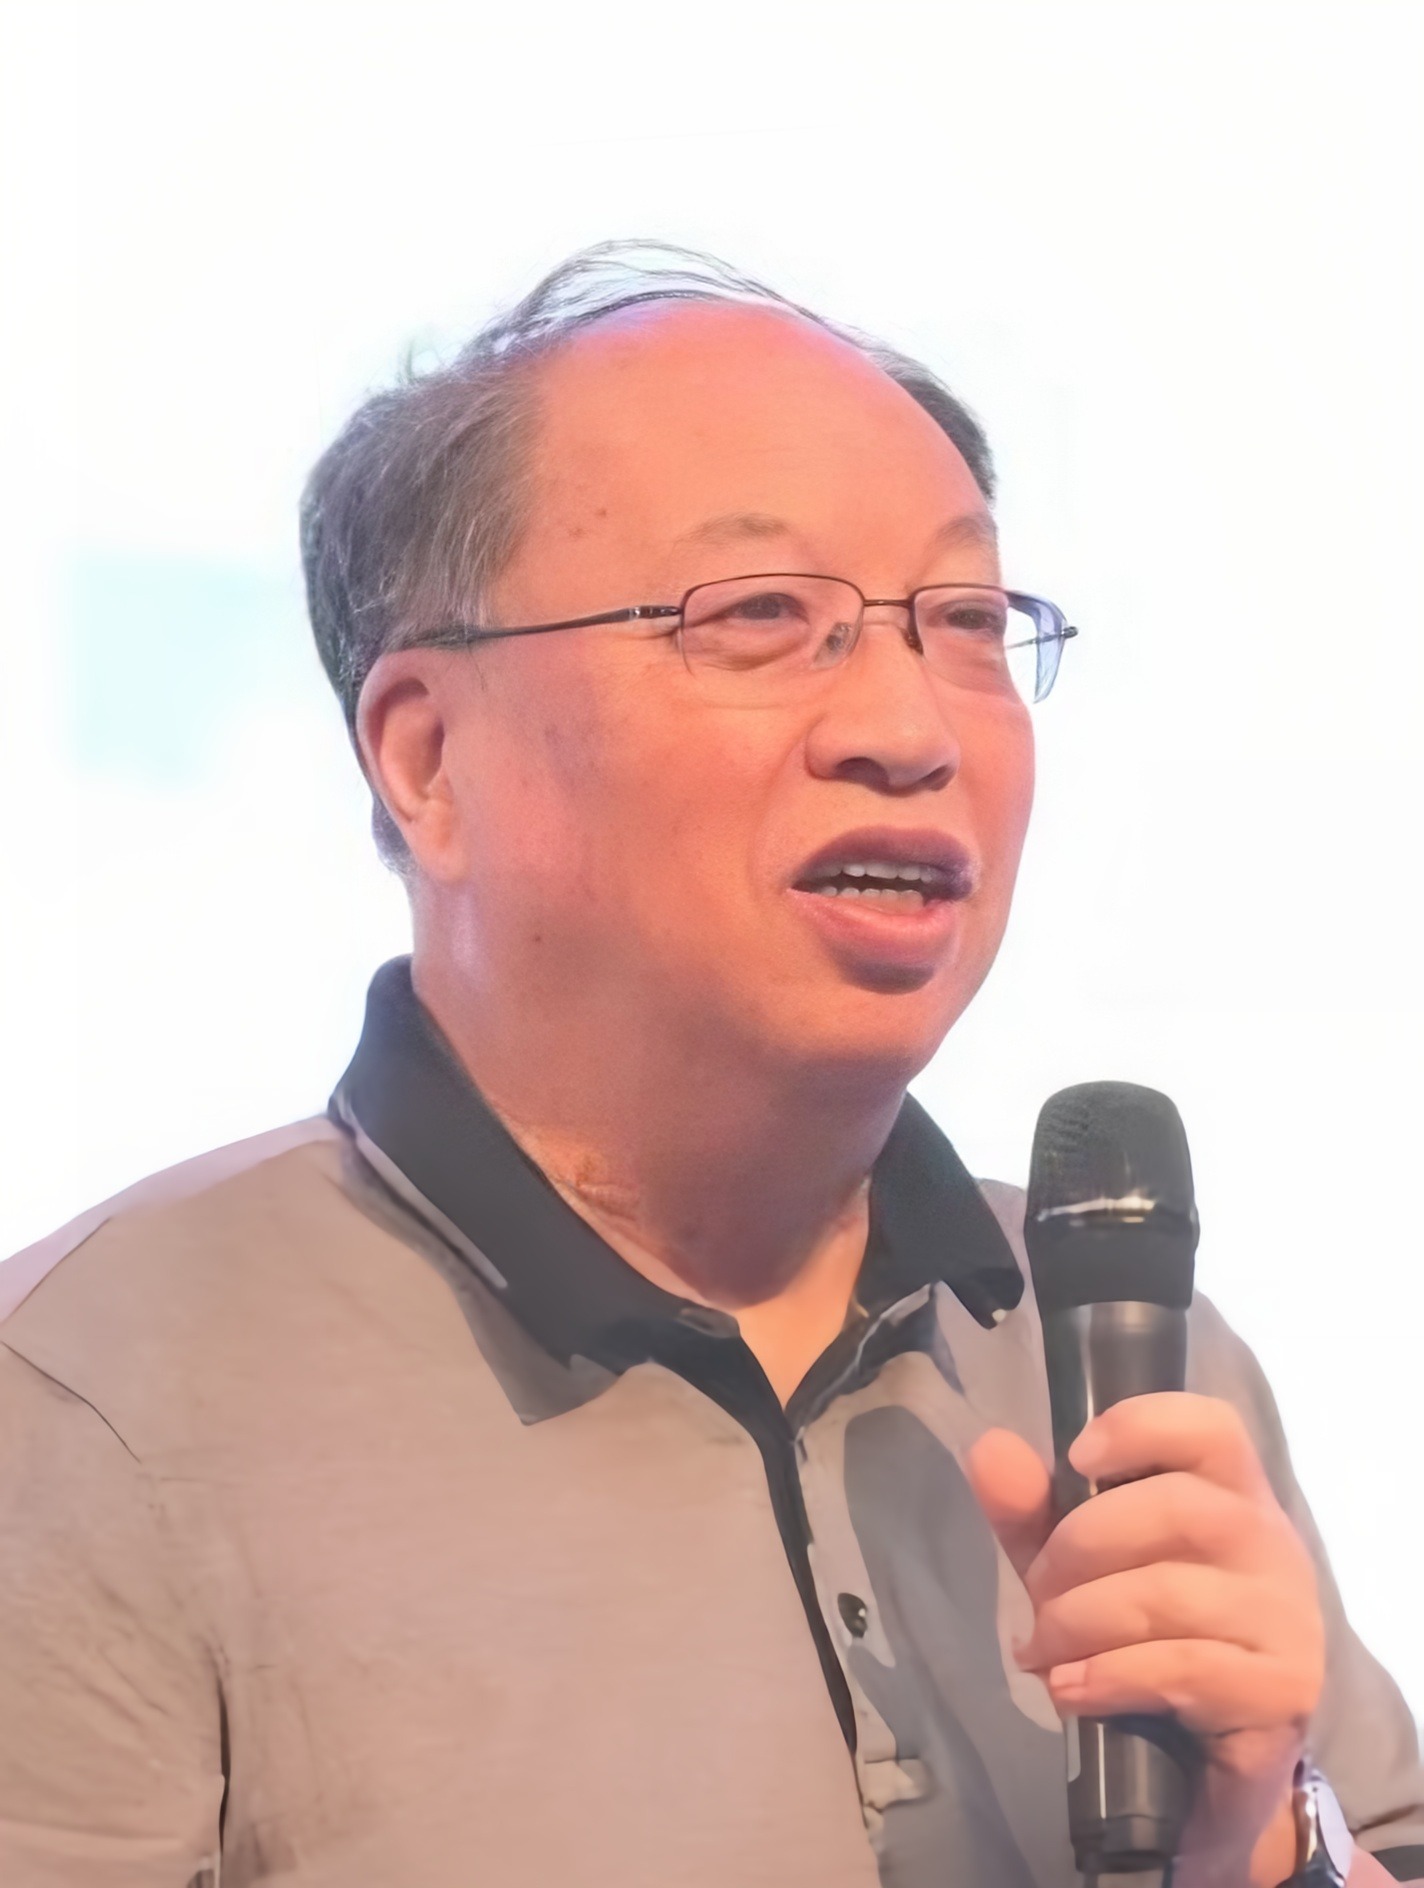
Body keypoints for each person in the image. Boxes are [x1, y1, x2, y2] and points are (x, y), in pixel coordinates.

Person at [1, 243, 1419, 1888]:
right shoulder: (91, 1406)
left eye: (966, 621)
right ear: (429, 759)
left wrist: (1260, 1842)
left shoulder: (1117, 1351)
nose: (910, 727)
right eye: (760, 618)